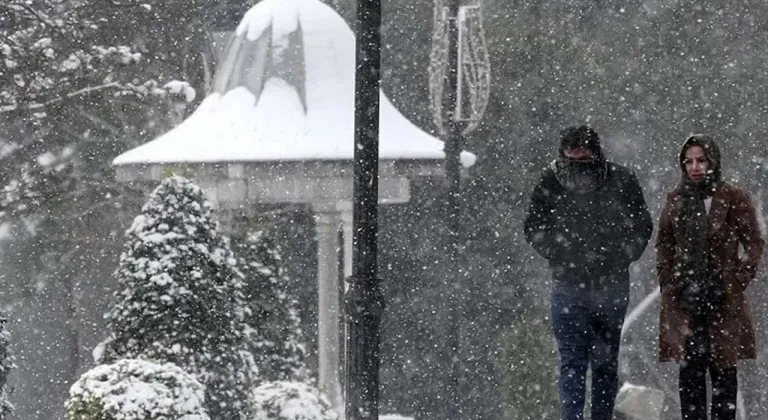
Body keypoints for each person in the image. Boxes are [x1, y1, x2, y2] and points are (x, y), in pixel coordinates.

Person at [524, 125, 653, 420]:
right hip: (570, 284)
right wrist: (559, 250)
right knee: (575, 361)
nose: (578, 160)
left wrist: (621, 256)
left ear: (595, 151)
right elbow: (533, 226)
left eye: (583, 153)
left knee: (601, 364)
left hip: (608, 284)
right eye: (573, 153)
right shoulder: (552, 181)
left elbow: (641, 226)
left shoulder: (620, 180)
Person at [656, 134, 764, 420]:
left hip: (723, 300)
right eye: (688, 161)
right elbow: (664, 245)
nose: (695, 167)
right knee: (690, 378)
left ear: (713, 162)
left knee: (724, 376)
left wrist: (735, 280)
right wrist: (670, 284)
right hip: (686, 301)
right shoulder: (676, 199)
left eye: (701, 160)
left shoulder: (734, 197)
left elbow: (754, 242)